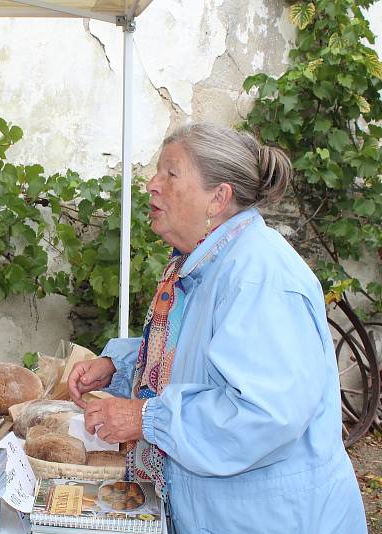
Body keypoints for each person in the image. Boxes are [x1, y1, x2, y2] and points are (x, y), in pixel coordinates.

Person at [68, 123, 367, 533]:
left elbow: (262, 413)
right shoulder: (209, 261)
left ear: (218, 197)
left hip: (273, 520)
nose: (152, 186)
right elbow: (197, 348)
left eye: (170, 174)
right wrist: (117, 366)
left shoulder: (259, 276)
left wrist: (149, 418)